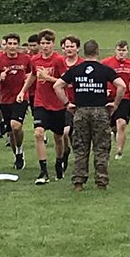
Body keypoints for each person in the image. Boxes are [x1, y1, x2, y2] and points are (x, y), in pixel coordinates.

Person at [53, 40, 124, 191]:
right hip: (100, 111)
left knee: (80, 147)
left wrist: (67, 104)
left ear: (84, 52)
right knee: (101, 148)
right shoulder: (105, 69)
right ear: (97, 51)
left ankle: (78, 182)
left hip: (81, 111)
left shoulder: (75, 70)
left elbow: (57, 86)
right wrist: (115, 104)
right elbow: (122, 86)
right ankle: (101, 181)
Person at [18, 29, 68, 184]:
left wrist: (48, 78)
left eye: (48, 43)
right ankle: (43, 171)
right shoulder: (35, 60)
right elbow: (33, 75)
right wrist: (23, 91)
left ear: (53, 44)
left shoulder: (59, 60)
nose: (45, 46)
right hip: (40, 102)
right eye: (42, 43)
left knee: (58, 137)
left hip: (57, 103)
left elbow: (65, 80)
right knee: (39, 133)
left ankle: (59, 161)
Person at [0, 33, 31, 170]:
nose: (12, 47)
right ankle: (17, 154)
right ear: (5, 45)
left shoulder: (25, 59)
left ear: (18, 45)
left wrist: (25, 85)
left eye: (14, 44)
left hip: (20, 97)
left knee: (16, 126)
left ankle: (19, 150)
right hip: (5, 99)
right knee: (11, 131)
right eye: (9, 44)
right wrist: (0, 78)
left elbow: (32, 74)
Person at [101, 40, 130, 161]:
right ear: (115, 50)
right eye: (119, 50)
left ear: (127, 51)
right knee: (111, 126)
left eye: (124, 50)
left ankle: (119, 151)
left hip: (124, 97)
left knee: (121, 123)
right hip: (109, 97)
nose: (121, 53)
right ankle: (114, 136)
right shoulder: (106, 63)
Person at [59, 35, 83, 170]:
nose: (69, 49)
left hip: (78, 103)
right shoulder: (60, 62)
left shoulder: (82, 64)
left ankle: (77, 158)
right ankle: (65, 152)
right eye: (67, 46)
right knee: (64, 132)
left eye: (72, 46)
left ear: (77, 48)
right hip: (62, 102)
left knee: (76, 134)